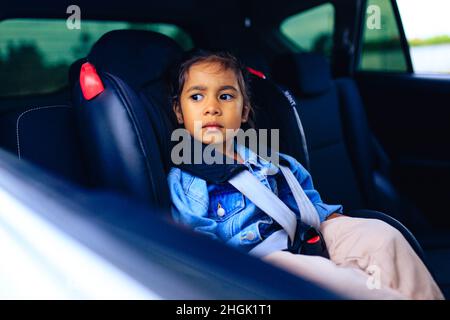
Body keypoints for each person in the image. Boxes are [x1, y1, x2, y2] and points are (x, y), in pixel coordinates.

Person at [167, 50, 444, 300]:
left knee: (383, 236)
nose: (212, 106)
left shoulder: (275, 161)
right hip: (259, 262)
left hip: (305, 236)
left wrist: (340, 225)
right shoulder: (189, 180)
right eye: (197, 96)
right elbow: (200, 246)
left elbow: (312, 205)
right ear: (179, 112)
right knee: (339, 281)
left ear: (244, 111)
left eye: (226, 96)